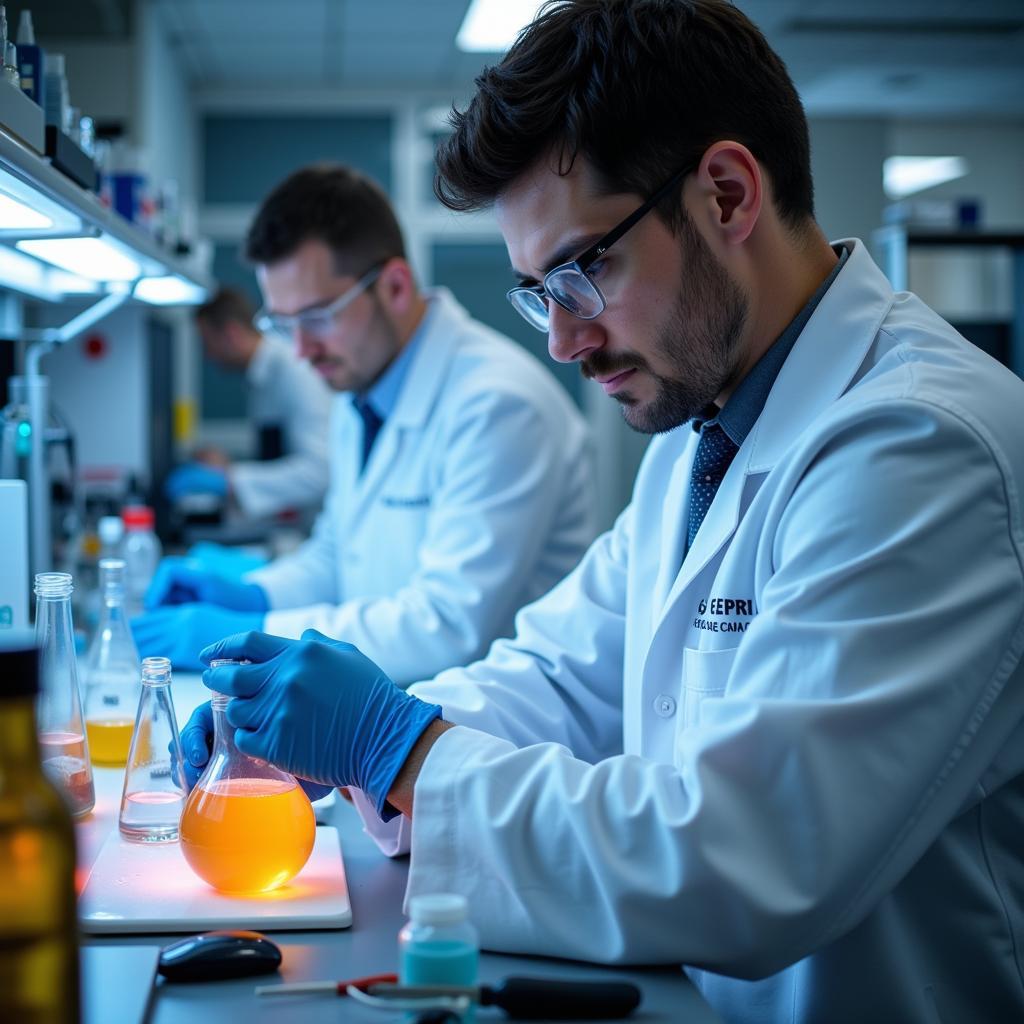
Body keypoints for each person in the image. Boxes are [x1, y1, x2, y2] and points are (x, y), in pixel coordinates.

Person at [180, 3, 1024, 1022]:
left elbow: (749, 857)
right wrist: (341, 752)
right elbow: (559, 676)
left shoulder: (920, 448)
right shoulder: (702, 428)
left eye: (583, 271)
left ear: (725, 194)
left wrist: (394, 745)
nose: (564, 342)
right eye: (539, 292)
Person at [135, 163, 594, 680]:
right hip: (389, 708)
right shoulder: (359, 392)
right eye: (283, 325)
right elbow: (337, 557)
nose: (301, 351)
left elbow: (444, 625)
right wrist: (251, 594)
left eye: (314, 318)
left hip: (500, 735)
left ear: (395, 288)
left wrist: (259, 628)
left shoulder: (499, 405)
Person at [164, 286, 333, 521]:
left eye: (207, 343)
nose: (207, 356)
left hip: (316, 523)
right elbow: (277, 454)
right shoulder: (261, 375)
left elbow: (320, 472)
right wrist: (228, 469)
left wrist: (230, 481)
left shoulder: (295, 371)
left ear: (231, 334)